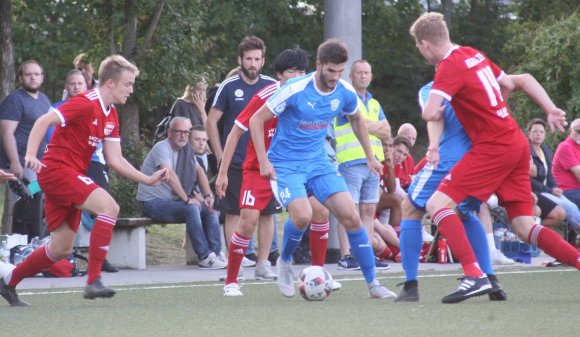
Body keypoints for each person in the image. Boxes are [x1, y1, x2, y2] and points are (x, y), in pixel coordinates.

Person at [409, 12, 579, 304]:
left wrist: (443, 103)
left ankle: (474, 275)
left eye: (417, 46)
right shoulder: (473, 54)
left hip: (493, 147)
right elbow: (517, 82)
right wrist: (550, 109)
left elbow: (430, 112)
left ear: (425, 44)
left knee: (437, 204)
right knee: (525, 226)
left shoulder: (448, 67)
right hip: (515, 142)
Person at [0, 55, 169, 307]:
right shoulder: (86, 102)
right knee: (109, 207)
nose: (131, 90)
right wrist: (31, 155)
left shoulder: (111, 115)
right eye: (128, 83)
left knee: (60, 249)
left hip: (67, 175)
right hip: (57, 171)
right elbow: (43, 120)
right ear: (110, 82)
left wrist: (147, 179)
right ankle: (93, 280)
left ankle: (9, 282)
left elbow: (115, 159)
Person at [250, 39, 396, 299]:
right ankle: (285, 262)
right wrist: (264, 160)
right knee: (303, 215)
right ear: (318, 65)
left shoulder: (344, 91)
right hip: (286, 165)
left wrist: (370, 156)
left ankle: (373, 284)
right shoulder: (295, 89)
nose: (335, 77)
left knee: (351, 216)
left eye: (340, 71)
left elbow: (357, 119)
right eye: (330, 71)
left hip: (319, 163)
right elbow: (256, 119)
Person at [217, 48, 313, 296]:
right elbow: (236, 132)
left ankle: (314, 270)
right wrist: (223, 172)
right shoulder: (266, 96)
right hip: (256, 169)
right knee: (247, 220)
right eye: (292, 72)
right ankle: (231, 281)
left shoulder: (308, 96)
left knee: (318, 212)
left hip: (289, 168)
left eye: (302, 72)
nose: (298, 77)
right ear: (280, 75)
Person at [206, 36, 279, 266]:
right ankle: (237, 259)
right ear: (240, 60)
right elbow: (211, 121)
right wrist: (220, 156)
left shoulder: (271, 86)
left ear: (263, 61)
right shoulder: (229, 86)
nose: (253, 63)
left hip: (264, 162)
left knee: (267, 213)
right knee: (233, 212)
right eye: (248, 59)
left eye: (257, 59)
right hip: (237, 160)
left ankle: (263, 262)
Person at [137, 117, 225, 269]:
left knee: (211, 209)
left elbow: (199, 171)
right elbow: (169, 174)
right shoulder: (162, 148)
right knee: (191, 208)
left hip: (172, 202)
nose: (183, 135)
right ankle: (204, 257)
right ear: (170, 133)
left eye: (186, 132)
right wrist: (186, 199)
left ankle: (215, 254)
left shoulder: (186, 149)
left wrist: (208, 196)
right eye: (179, 132)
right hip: (152, 202)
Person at [334, 59, 391, 271]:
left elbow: (387, 131)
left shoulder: (375, 104)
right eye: (359, 73)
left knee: (368, 210)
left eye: (367, 73)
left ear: (371, 76)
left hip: (373, 163)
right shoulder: (345, 98)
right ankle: (347, 255)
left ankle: (364, 253)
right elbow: (356, 121)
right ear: (351, 76)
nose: (363, 76)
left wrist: (369, 126)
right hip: (350, 161)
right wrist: (374, 126)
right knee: (348, 209)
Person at [0, 60, 51, 180]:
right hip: (23, 165)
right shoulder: (15, 100)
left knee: (39, 197)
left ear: (42, 78)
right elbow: (6, 133)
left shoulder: (44, 99)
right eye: (28, 75)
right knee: (27, 197)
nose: (33, 78)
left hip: (39, 163)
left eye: (36, 74)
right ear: (21, 78)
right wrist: (15, 163)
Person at [527, 118, 579, 232]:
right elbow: (528, 180)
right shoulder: (525, 150)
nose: (538, 134)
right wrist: (550, 190)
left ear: (545, 135)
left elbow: (549, 173)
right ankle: (528, 231)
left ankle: (532, 231)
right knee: (569, 208)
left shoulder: (544, 149)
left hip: (549, 190)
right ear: (529, 133)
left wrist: (554, 187)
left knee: (569, 208)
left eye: (541, 132)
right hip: (535, 191)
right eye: (535, 131)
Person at [552, 118, 580, 207]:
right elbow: (579, 174)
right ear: (571, 131)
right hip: (567, 191)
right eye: (578, 131)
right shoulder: (566, 147)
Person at [395, 123, 417, 191]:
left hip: (408, 187)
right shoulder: (392, 155)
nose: (411, 141)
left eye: (413, 139)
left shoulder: (409, 158)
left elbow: (413, 178)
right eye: (408, 138)